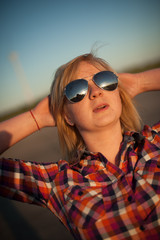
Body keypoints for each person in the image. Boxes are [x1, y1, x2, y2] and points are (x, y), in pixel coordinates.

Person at [0, 53, 160, 239]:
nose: (95, 92)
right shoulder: (57, 183)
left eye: (105, 80)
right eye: (77, 90)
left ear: (119, 94)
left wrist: (140, 82)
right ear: (67, 116)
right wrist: (37, 117)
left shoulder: (155, 141)